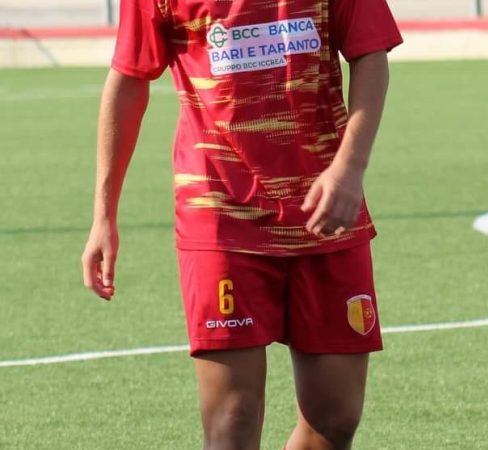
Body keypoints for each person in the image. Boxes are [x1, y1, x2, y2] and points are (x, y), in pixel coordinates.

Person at [80, 0, 402, 448]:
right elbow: (130, 79)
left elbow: (370, 54)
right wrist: (103, 216)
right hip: (219, 214)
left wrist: (349, 168)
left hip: (326, 213)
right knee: (232, 422)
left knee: (335, 420)